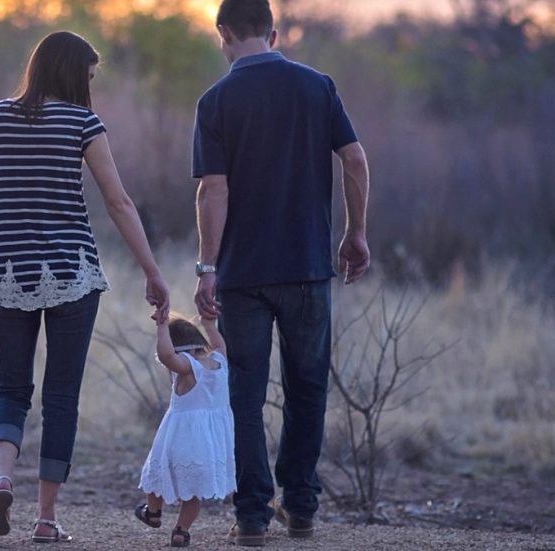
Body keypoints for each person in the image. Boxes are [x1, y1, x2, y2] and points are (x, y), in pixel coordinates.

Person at [0, 30, 170, 544]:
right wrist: (152, 271)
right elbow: (119, 203)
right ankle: (46, 519)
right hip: (72, 272)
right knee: (61, 398)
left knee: (11, 389)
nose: (90, 87)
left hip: (5, 271)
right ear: (73, 74)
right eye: (89, 77)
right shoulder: (83, 123)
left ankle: (3, 476)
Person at [191, 0, 371, 546]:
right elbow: (356, 160)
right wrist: (356, 232)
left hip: (243, 275)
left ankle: (251, 517)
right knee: (307, 389)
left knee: (244, 395)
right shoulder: (317, 87)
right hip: (308, 268)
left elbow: (212, 189)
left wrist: (206, 267)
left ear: (223, 32)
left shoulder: (216, 99)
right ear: (272, 32)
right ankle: (302, 507)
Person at [134, 313, 235, 548]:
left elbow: (167, 356)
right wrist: (209, 325)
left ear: (179, 348)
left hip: (181, 438)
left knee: (156, 475)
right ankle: (181, 531)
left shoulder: (188, 367)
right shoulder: (220, 361)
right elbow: (219, 344)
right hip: (210, 443)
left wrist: (161, 328)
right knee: (194, 492)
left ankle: (153, 512)